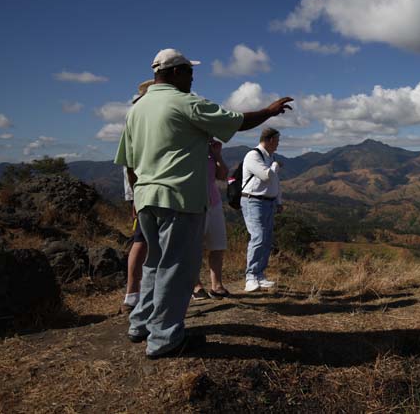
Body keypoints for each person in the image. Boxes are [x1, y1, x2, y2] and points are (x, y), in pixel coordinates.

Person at [114, 48, 292, 359]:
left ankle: (140, 324)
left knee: (155, 262)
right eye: (189, 72)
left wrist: (137, 195)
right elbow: (236, 121)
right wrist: (269, 110)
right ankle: (165, 339)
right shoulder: (184, 102)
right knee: (178, 268)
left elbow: (128, 162)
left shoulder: (137, 109)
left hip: (146, 198)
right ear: (175, 73)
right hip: (178, 198)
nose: (192, 78)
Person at [122, 80, 154, 311]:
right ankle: (135, 294)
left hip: (142, 192)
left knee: (142, 241)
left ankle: (134, 294)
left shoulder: (137, 117)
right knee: (141, 241)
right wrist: (134, 197)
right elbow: (131, 163)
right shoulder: (141, 118)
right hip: (145, 192)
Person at [241, 127, 283, 292]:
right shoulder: (253, 156)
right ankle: (250, 276)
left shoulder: (270, 157)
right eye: (277, 141)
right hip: (254, 201)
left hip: (268, 202)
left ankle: (259, 274)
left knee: (266, 239)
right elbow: (267, 176)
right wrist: (275, 166)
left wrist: (279, 201)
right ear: (270, 140)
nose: (278, 145)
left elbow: (275, 182)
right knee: (258, 237)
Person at [192, 139, 230, 300]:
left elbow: (223, 175)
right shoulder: (188, 150)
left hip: (213, 201)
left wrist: (217, 156)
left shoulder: (210, 155)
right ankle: (196, 284)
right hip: (193, 204)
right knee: (194, 247)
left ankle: (216, 284)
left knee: (217, 245)